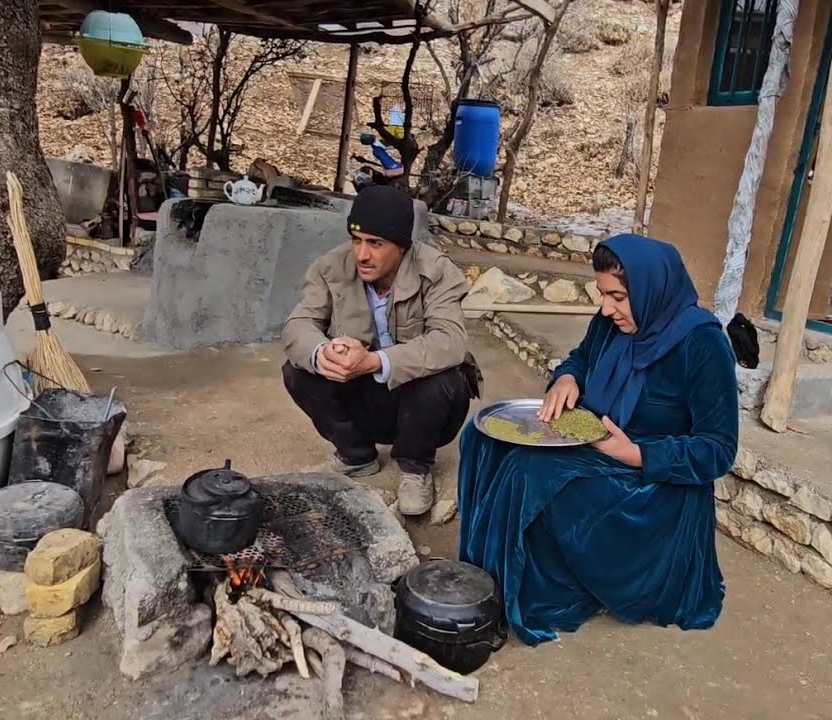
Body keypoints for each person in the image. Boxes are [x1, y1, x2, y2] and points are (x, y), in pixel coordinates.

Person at [456, 233, 739, 646]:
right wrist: (567, 379)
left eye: (618, 297)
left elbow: (718, 449)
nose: (607, 308)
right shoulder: (610, 324)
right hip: (599, 447)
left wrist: (637, 453)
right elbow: (581, 359)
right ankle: (482, 576)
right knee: (482, 438)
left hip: (655, 483)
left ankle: (510, 591)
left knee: (530, 470)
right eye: (603, 295)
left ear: (651, 290)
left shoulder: (703, 345)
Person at [282, 185, 480, 515]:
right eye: (356, 240)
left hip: (420, 406)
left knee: (443, 379)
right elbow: (297, 325)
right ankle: (356, 455)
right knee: (298, 370)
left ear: (402, 246)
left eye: (376, 243)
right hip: (363, 396)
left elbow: (450, 341)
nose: (362, 254)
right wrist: (323, 353)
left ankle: (415, 467)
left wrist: (375, 361)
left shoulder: (436, 271)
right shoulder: (330, 267)